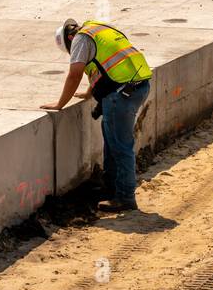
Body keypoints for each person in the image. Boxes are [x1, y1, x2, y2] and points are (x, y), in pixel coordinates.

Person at [43, 18, 152, 212]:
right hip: (139, 86)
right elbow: (103, 66)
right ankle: (111, 189)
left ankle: (125, 198)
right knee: (112, 140)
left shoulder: (80, 39)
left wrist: (61, 103)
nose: (74, 53)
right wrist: (88, 92)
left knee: (120, 146)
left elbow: (75, 74)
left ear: (69, 38)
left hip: (122, 93)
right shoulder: (99, 29)